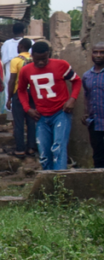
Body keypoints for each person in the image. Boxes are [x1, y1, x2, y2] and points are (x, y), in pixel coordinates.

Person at [17, 41, 82, 171]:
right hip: (41, 115)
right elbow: (21, 90)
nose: (41, 62)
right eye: (37, 60)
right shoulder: (26, 70)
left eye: (44, 59)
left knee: (58, 146)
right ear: (32, 56)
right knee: (43, 152)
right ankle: (48, 179)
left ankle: (60, 180)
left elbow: (76, 81)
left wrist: (72, 99)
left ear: (49, 55)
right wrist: (27, 108)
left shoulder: (61, 65)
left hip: (61, 113)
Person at [6, 38, 37, 158]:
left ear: (20, 46)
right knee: (31, 121)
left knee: (19, 122)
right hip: (33, 93)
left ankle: (20, 148)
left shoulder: (16, 60)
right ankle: (31, 147)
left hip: (19, 93)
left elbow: (12, 80)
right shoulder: (33, 59)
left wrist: (9, 98)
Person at [81, 41, 104, 168]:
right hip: (95, 122)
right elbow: (87, 95)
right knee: (98, 155)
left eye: (102, 52)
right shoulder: (87, 76)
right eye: (95, 52)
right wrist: (86, 113)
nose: (98, 55)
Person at [0, 22, 26, 89]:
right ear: (24, 31)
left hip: (10, 75)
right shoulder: (29, 42)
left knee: (10, 96)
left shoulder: (6, 43)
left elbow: (3, 61)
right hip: (25, 73)